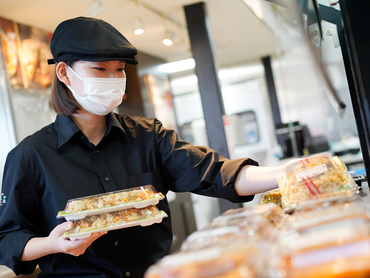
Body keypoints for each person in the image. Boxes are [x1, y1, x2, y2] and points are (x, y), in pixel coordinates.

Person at [0, 17, 287, 278]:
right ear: (63, 72)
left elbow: (216, 173)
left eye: (119, 70)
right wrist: (53, 244)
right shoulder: (29, 156)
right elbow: (7, 240)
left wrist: (286, 174)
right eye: (100, 69)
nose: (113, 80)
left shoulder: (148, 136)